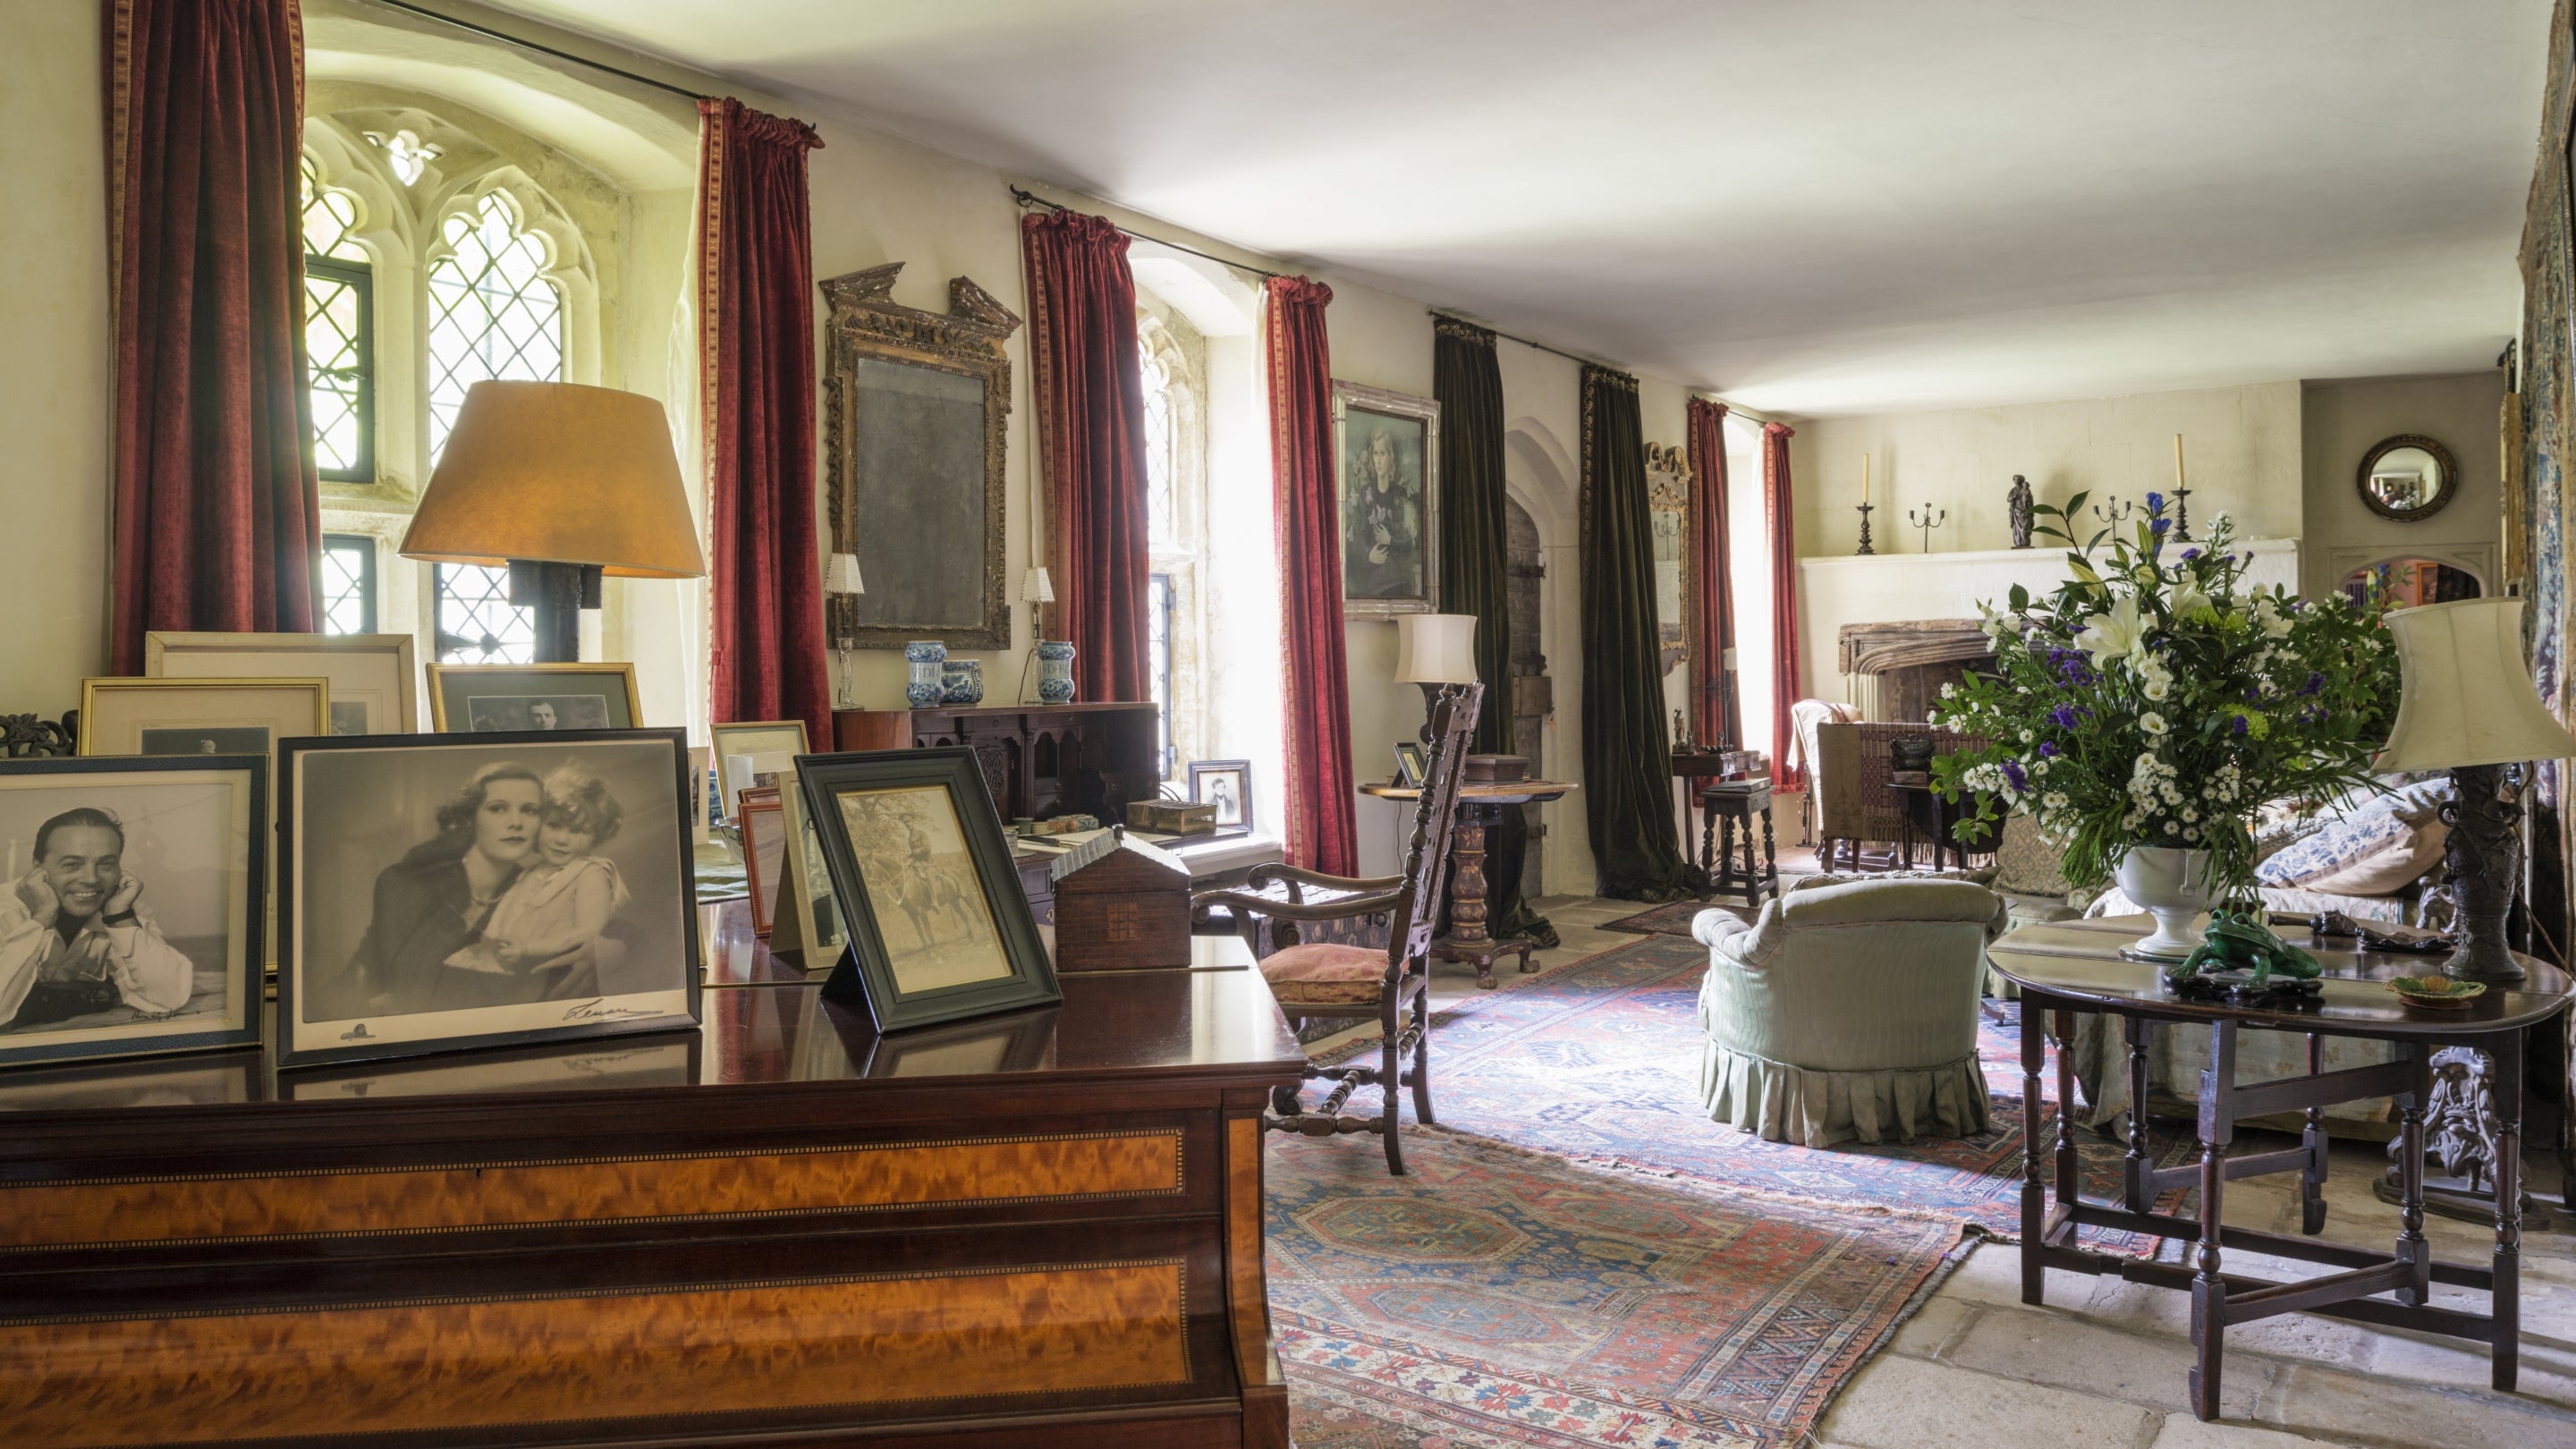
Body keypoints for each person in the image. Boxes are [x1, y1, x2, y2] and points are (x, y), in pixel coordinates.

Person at [342, 761, 543, 1016]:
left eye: (530, 811)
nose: (516, 822)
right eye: (498, 809)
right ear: (470, 818)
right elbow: (367, 981)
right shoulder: (407, 884)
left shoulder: (538, 897)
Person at [0, 808, 195, 1030]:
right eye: (72, 864)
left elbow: (167, 999)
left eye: (106, 864)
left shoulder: (124, 910)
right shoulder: (5, 910)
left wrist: (120, 918)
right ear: (38, 868)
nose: (91, 879)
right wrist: (42, 917)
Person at [444, 766, 628, 1000]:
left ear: (597, 836)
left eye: (578, 831)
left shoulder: (590, 873)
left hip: (546, 974)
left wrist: (527, 949)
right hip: (500, 968)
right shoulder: (531, 872)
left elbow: (588, 933)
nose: (562, 839)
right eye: (554, 825)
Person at [1344, 426, 1420, 599]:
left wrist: (1390, 541)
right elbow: (1360, 535)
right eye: (1375, 453)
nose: (1378, 460)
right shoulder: (1366, 493)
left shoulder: (1400, 493)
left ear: (1390, 457)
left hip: (1398, 580)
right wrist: (1368, 554)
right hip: (1375, 582)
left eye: (1383, 454)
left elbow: (1410, 542)